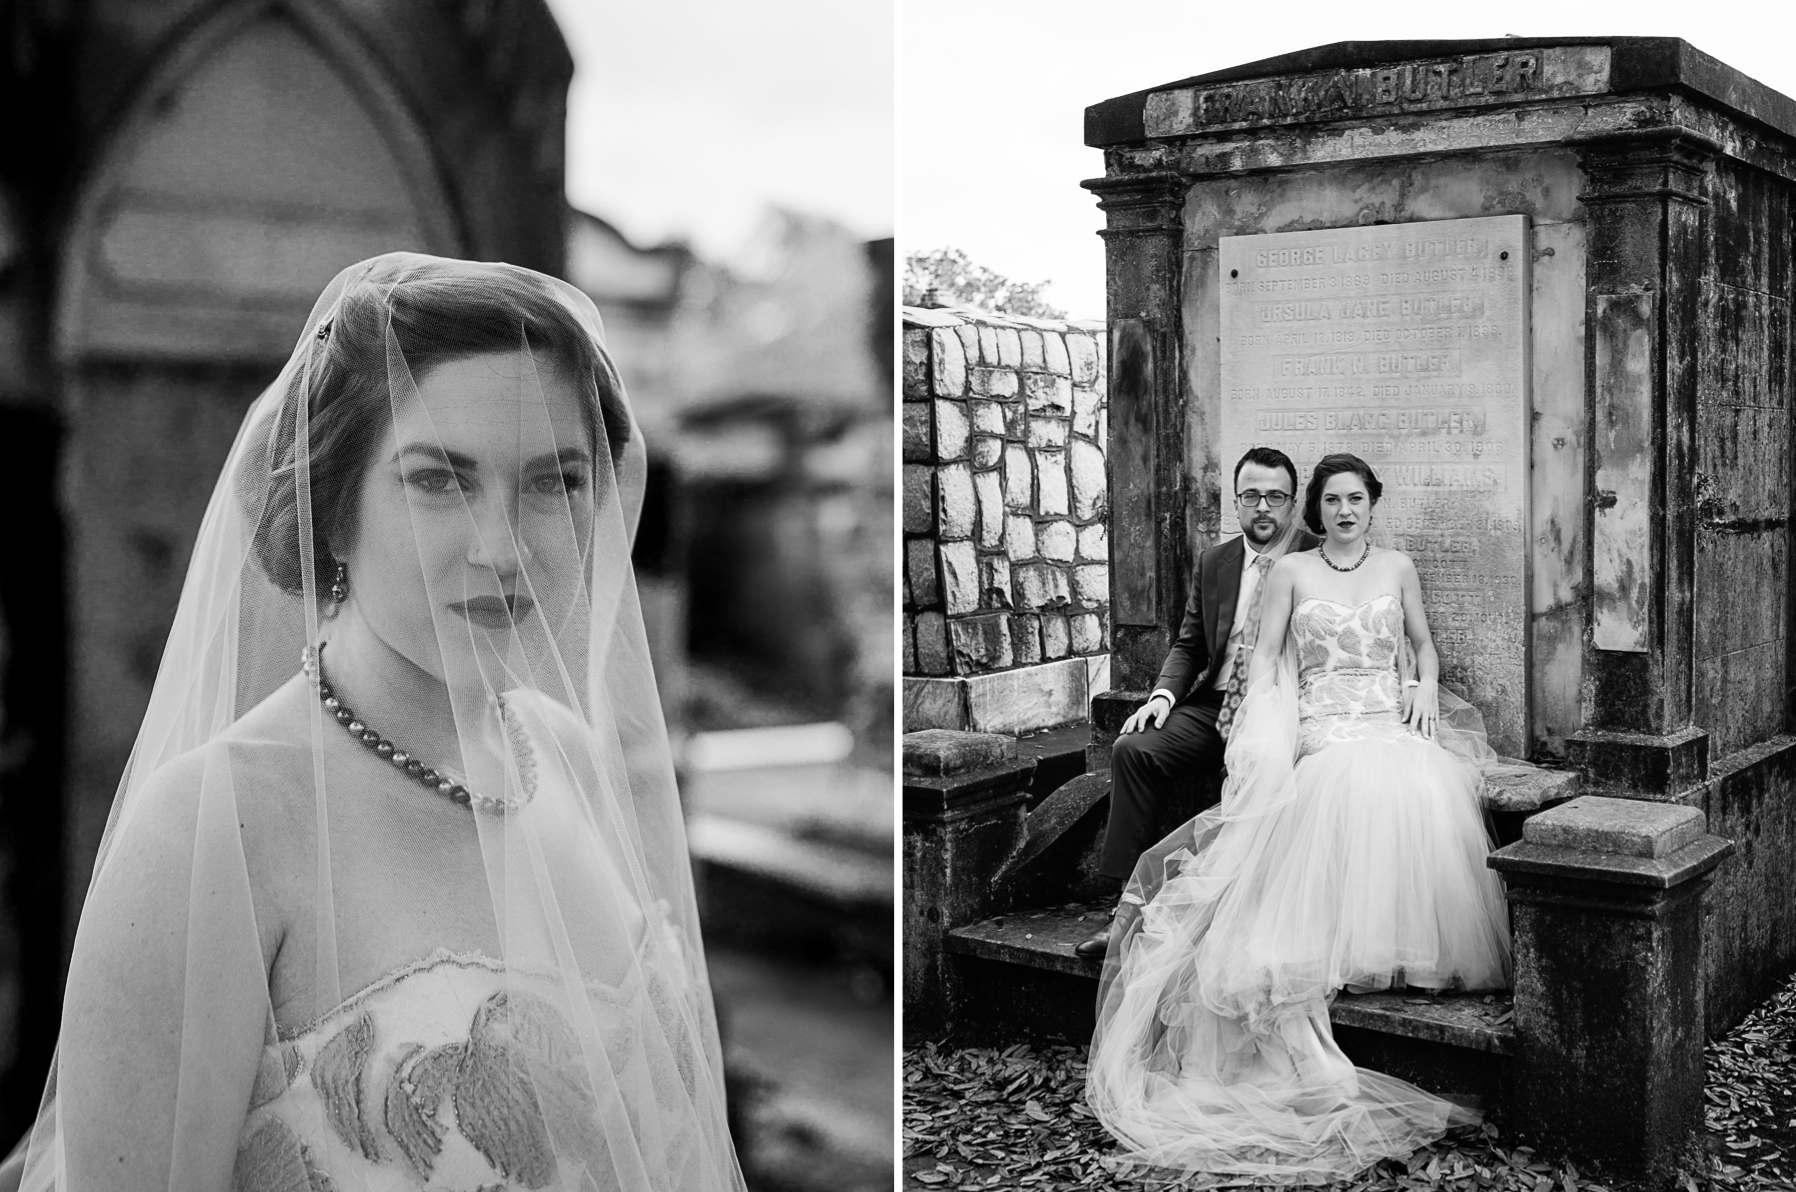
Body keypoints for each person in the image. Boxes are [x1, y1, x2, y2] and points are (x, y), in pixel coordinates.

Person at [9, 255, 745, 1192]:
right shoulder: (216, 831)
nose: (502, 546)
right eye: (439, 480)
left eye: (554, 481)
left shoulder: (562, 751)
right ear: (333, 509)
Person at [1085, 453, 1515, 1185]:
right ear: (1316, 511)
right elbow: (1268, 665)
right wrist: (1270, 744)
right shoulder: (1291, 574)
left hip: (1385, 713)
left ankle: (1392, 946)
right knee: (1345, 781)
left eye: (1357, 499)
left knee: (1420, 784)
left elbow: (1421, 641)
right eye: (1333, 501)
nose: (1346, 511)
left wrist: (1426, 684)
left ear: (1373, 503)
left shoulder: (1401, 567)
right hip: (1321, 722)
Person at [1074, 446, 1319, 959]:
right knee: (1132, 748)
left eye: (1275, 496)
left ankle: (1238, 923)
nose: (1263, 507)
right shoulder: (1217, 562)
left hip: (1284, 710)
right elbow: (1190, 644)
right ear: (1235, 502)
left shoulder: (1316, 559)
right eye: (1251, 495)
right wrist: (1162, 696)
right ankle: (1126, 911)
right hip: (1218, 706)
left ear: (1293, 502)